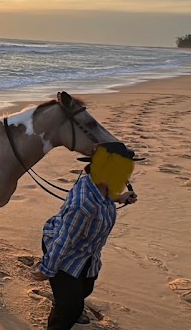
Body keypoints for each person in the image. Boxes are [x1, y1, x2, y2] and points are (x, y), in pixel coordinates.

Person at [32, 141, 142, 329]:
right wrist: (46, 270)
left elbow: (104, 195)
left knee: (86, 287)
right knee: (70, 309)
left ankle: (64, 301)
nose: (125, 175)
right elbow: (62, 240)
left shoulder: (100, 185)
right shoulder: (83, 205)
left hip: (87, 253)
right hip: (64, 253)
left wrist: (119, 198)